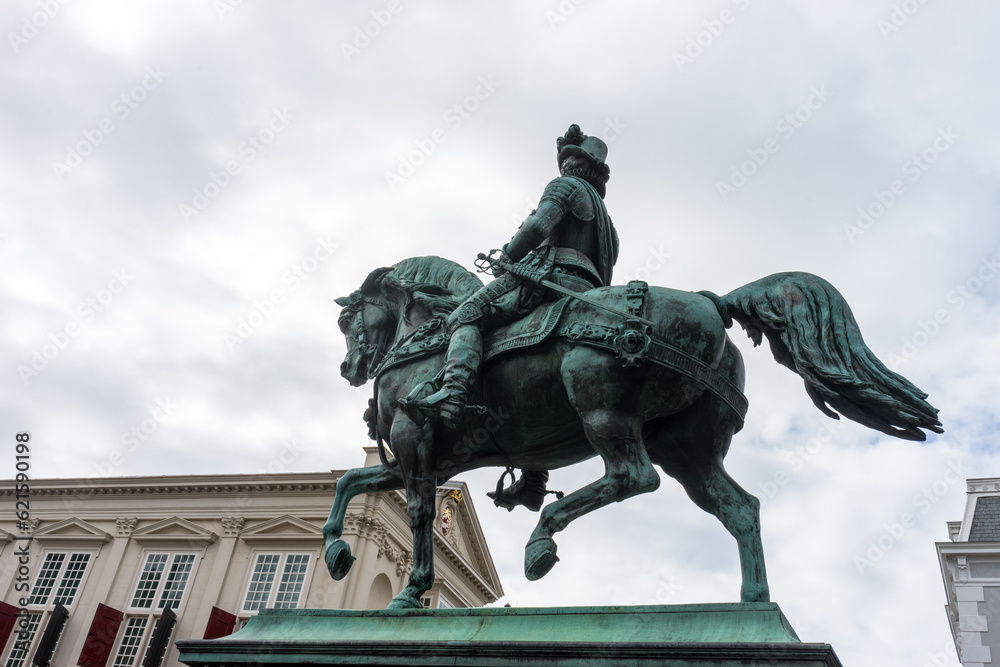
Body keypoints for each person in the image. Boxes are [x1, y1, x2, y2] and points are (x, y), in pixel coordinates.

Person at [402, 124, 619, 511]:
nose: (564, 162)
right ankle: (534, 480)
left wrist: (509, 255)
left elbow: (538, 226)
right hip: (586, 290)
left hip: (546, 279)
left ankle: (452, 394)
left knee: (465, 313)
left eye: (568, 157)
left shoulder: (565, 187)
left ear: (574, 163)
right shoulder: (607, 224)